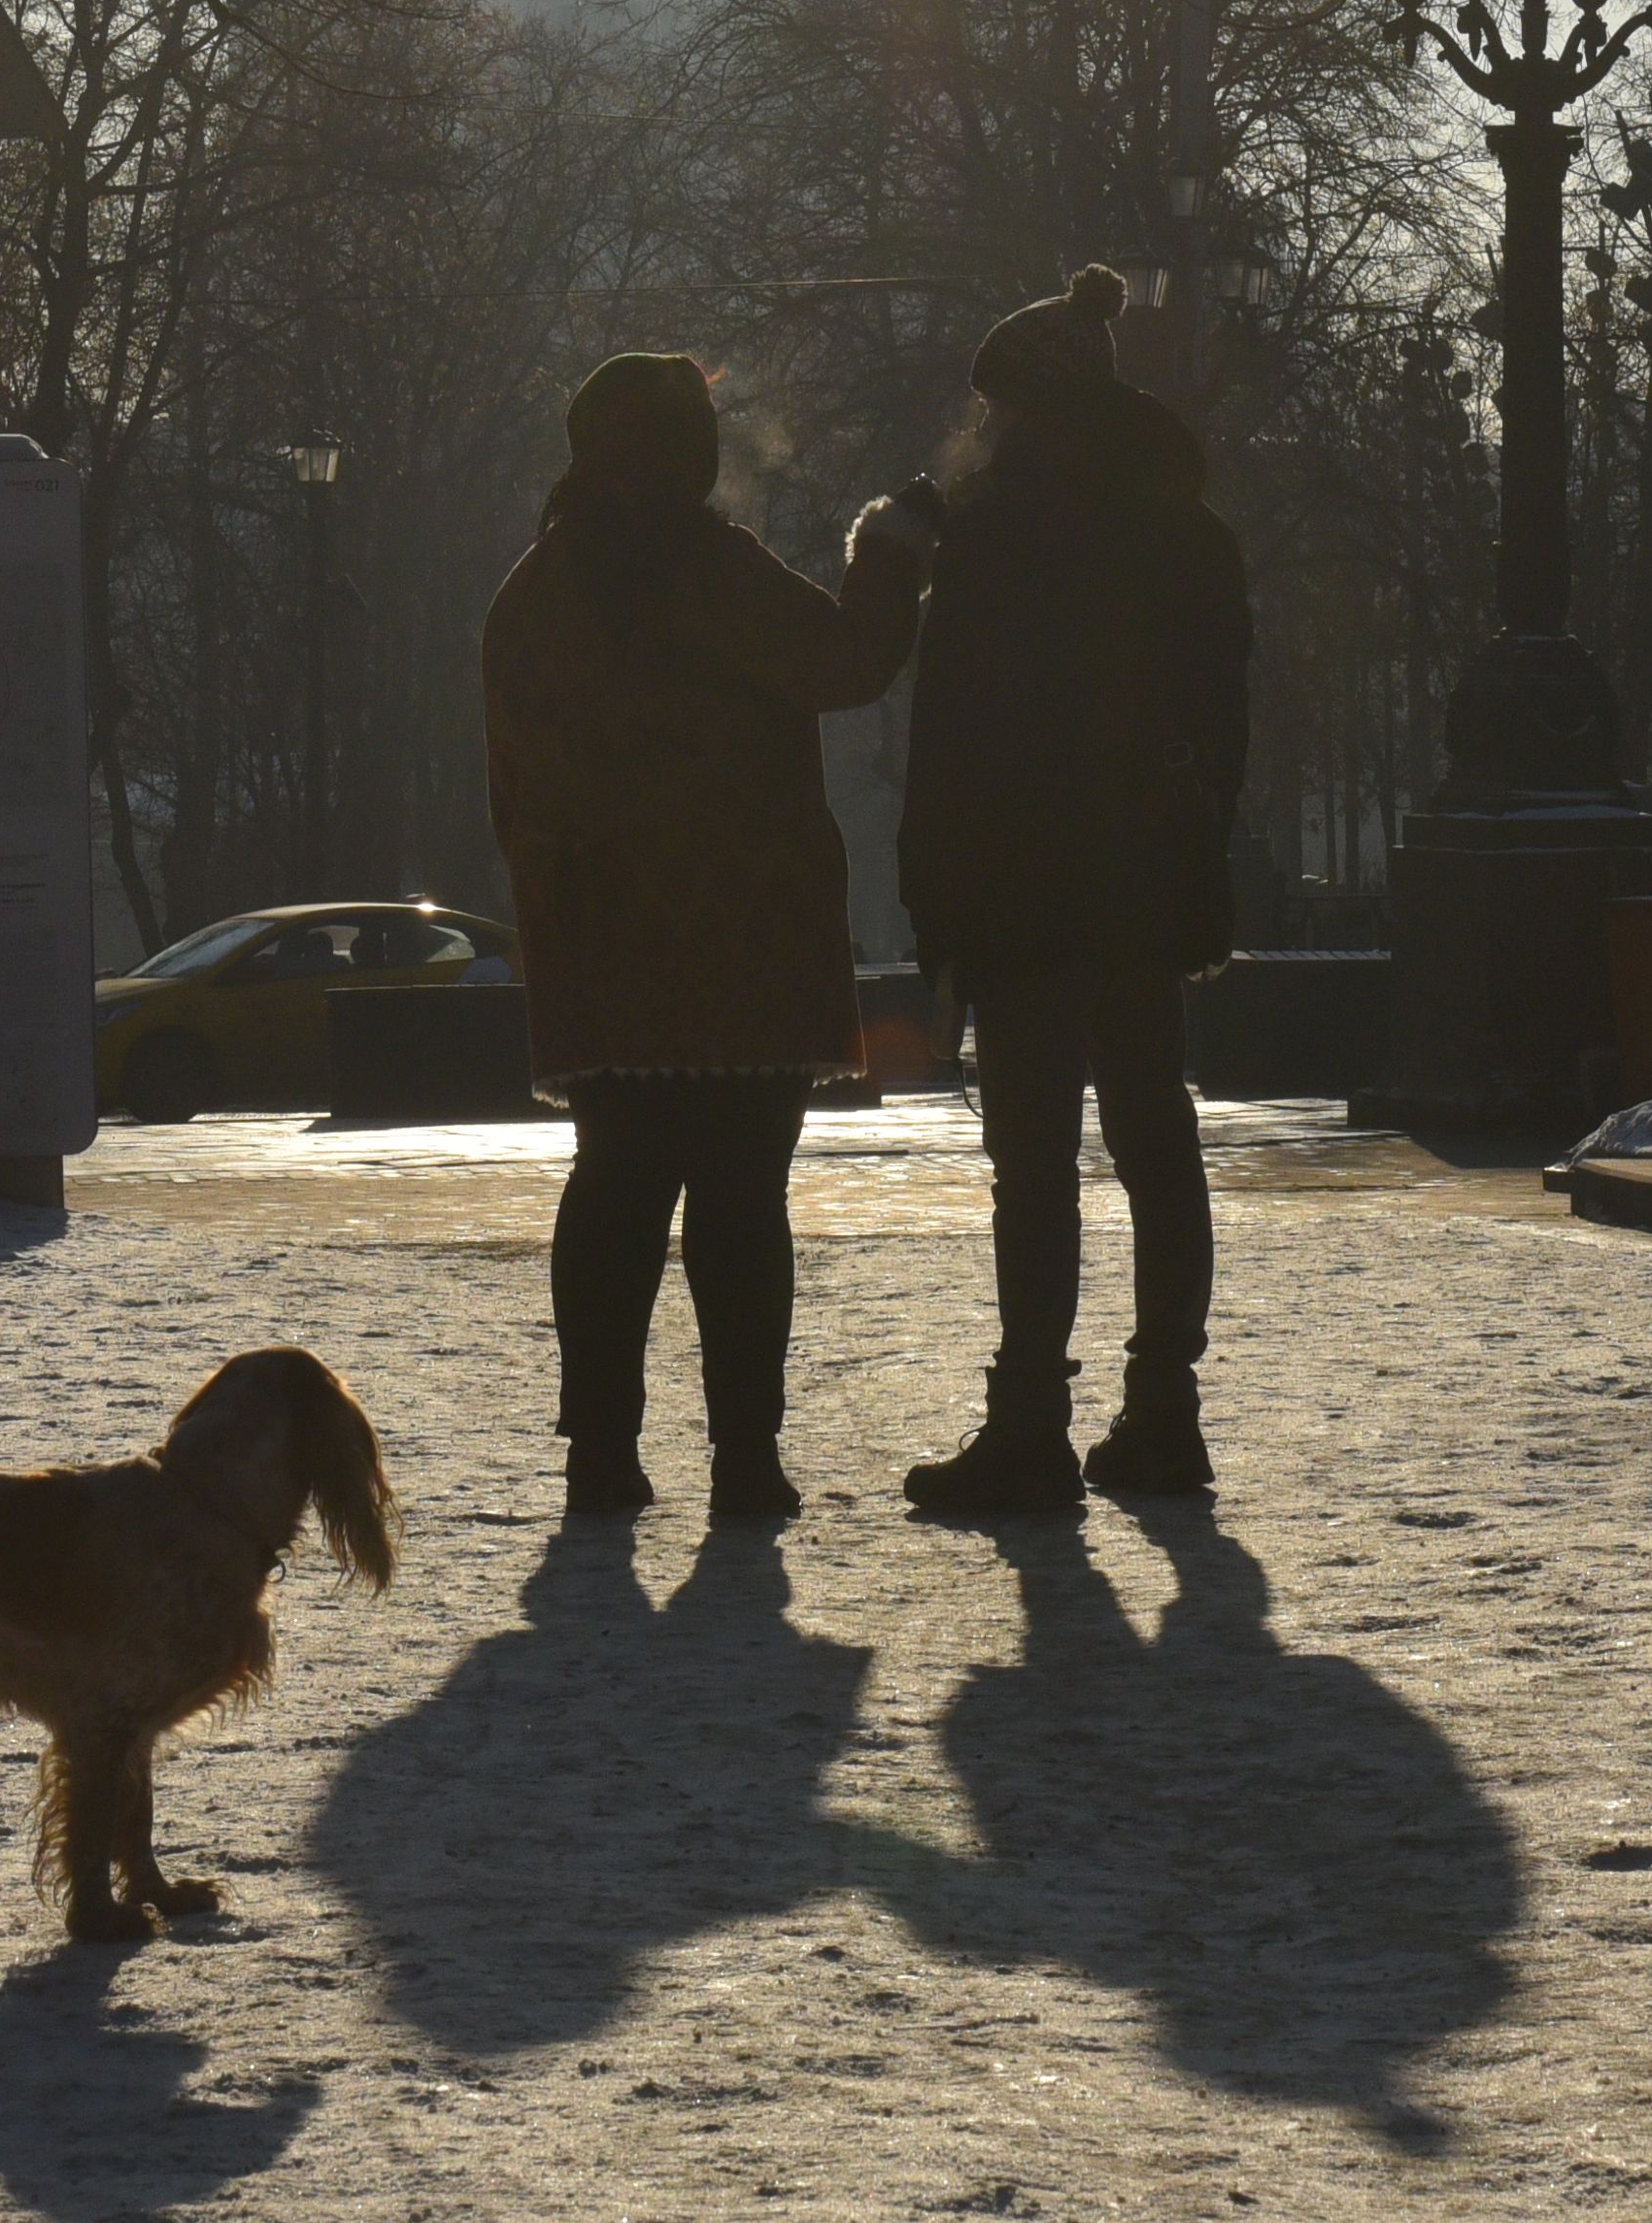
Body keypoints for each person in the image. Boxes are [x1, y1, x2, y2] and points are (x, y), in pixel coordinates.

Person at [480, 350, 926, 1520]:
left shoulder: (533, 593)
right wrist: (887, 553)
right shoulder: (711, 572)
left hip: (603, 941)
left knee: (614, 1190)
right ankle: (744, 1454)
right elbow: (846, 662)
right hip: (742, 937)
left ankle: (600, 1451)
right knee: (740, 1201)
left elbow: (511, 787)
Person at [892, 267, 1254, 1514]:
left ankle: (1030, 1423)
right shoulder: (1189, 530)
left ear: (1031, 408)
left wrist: (935, 908)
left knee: (1034, 1159)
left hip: (1028, 891)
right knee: (1158, 1140)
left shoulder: (995, 539)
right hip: (1147, 889)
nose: (982, 430)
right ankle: (1164, 1411)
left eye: (995, 410)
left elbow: (951, 742)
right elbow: (1227, 726)